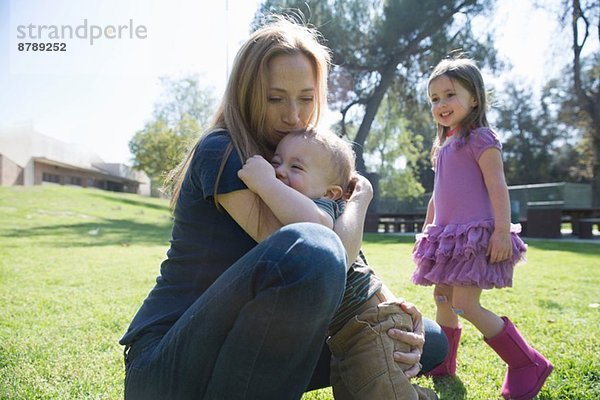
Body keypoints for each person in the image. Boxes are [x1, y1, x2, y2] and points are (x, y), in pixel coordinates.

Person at [119, 17, 447, 400]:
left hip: (244, 344)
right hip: (167, 366)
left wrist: (389, 309)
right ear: (246, 93)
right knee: (313, 249)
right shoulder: (225, 152)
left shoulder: (300, 158)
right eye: (276, 98)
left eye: (306, 99)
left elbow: (352, 264)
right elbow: (328, 253)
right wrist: (358, 200)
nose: (293, 115)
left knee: (426, 337)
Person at [238, 128, 438, 400]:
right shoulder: (298, 201)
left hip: (371, 321)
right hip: (345, 329)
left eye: (295, 167)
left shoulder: (323, 207)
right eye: (276, 162)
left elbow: (316, 225)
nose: (280, 171)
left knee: (382, 394)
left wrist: (265, 183)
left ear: (332, 193)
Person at [411, 57, 553, 400]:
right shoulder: (443, 146)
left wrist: (502, 231)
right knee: (442, 296)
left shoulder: (481, 139)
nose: (441, 104)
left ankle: (526, 363)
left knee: (464, 303)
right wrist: (427, 232)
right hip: (445, 238)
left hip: (475, 237)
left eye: (449, 95)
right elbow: (438, 195)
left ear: (474, 97)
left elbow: (497, 186)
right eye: (434, 99)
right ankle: (443, 362)